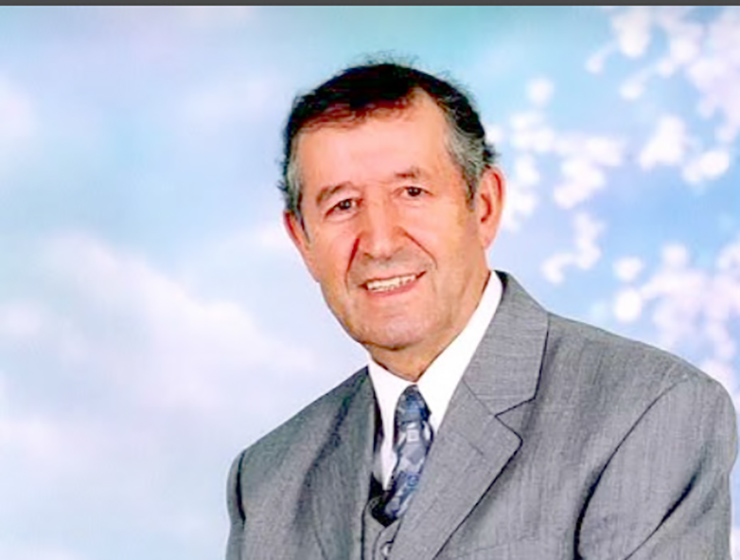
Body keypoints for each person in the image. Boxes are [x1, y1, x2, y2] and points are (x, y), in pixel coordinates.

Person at [225, 62, 737, 559]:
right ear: (302, 240)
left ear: (484, 205)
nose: (379, 242)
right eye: (342, 205)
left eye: (412, 192)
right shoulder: (265, 480)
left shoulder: (649, 410)